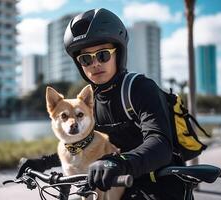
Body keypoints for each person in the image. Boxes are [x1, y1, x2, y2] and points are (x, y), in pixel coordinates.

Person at [17, 8, 185, 199]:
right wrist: (42, 163)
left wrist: (118, 162)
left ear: (118, 53)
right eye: (86, 59)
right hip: (114, 188)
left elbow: (160, 144)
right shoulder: (89, 103)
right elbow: (84, 145)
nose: (95, 64)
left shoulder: (140, 88)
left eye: (103, 55)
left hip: (159, 187)